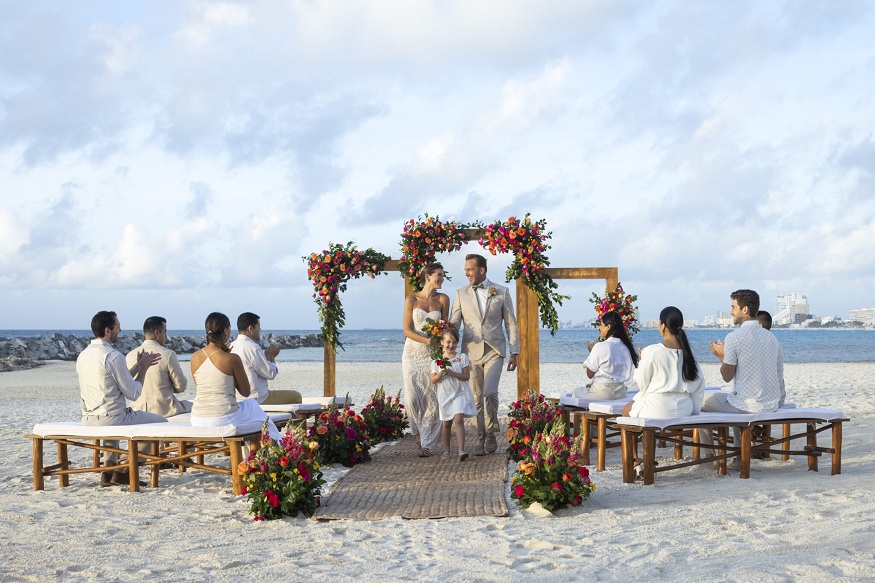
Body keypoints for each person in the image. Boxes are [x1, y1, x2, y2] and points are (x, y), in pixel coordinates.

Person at [78, 310, 167, 487]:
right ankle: (125, 470)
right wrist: (144, 369)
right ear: (108, 330)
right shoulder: (113, 356)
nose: (120, 330)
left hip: (88, 418)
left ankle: (108, 471)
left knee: (112, 422)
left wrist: (138, 366)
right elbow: (133, 393)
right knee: (160, 422)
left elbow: (117, 380)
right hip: (112, 417)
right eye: (118, 326)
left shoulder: (83, 355)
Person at [700, 290, 785, 462]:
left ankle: (709, 456)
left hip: (748, 404)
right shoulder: (772, 338)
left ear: (744, 309)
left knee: (700, 401)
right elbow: (777, 373)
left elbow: (727, 376)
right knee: (738, 400)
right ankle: (739, 458)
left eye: (733, 307)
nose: (731, 311)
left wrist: (721, 356)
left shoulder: (734, 337)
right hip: (771, 404)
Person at [449, 253, 520, 455]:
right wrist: (446, 344)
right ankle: (480, 438)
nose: (467, 273)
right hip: (470, 353)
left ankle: (491, 431)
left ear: (481, 270)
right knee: (476, 397)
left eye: (470, 269)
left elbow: (511, 324)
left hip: (494, 351)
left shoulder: (502, 292)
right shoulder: (460, 293)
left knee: (490, 392)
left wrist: (514, 352)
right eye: (465, 270)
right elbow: (454, 324)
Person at [190, 312, 281, 442]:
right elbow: (245, 392)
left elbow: (200, 385)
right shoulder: (231, 358)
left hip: (197, 417)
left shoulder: (195, 357)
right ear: (225, 331)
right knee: (254, 408)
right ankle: (277, 446)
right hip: (222, 417)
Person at [402, 262, 449, 457]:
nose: (442, 279)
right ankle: (419, 431)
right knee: (413, 399)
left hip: (433, 355)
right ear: (428, 276)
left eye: (443, 275)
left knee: (432, 399)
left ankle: (427, 443)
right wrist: (427, 340)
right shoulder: (412, 299)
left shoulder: (443, 299)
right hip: (412, 354)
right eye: (439, 275)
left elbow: (446, 327)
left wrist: (443, 344)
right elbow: (407, 330)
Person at [623, 306, 704, 418]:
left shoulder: (652, 351)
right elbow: (698, 382)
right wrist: (694, 409)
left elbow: (642, 382)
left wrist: (642, 362)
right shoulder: (689, 353)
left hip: (658, 407)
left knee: (626, 410)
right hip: (685, 407)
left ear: (663, 326)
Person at [125, 316, 191, 417]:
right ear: (157, 333)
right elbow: (181, 386)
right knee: (194, 405)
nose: (166, 335)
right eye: (165, 332)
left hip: (137, 410)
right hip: (163, 410)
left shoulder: (130, 355)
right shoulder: (168, 354)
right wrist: (167, 388)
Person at [230, 312, 301, 405]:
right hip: (257, 399)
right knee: (296, 397)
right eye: (258, 326)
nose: (260, 329)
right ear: (250, 328)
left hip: (238, 399)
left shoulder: (232, 346)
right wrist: (272, 358)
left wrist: (266, 359)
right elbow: (270, 374)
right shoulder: (252, 348)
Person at [430, 326, 477, 462]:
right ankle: (446, 451)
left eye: (454, 342)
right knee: (446, 423)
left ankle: (462, 450)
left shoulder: (462, 357)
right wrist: (440, 374)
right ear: (442, 342)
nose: (451, 345)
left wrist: (453, 374)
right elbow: (433, 380)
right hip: (445, 395)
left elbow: (466, 376)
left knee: (458, 418)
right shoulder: (437, 361)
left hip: (459, 393)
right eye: (448, 342)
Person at [579, 310, 639, 399]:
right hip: (620, 393)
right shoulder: (626, 347)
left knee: (576, 392)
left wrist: (592, 353)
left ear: (608, 326)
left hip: (601, 393)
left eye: (601, 325)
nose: (599, 328)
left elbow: (589, 374)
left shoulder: (600, 346)